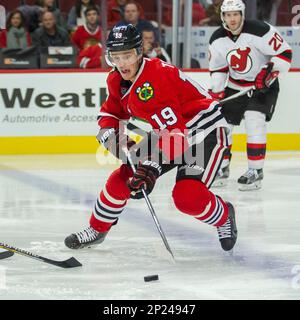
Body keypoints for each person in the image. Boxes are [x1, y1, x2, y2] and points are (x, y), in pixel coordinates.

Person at [64, 24, 238, 252]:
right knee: (124, 177)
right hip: (171, 132)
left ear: (138, 52)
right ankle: (97, 228)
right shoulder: (116, 79)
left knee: (187, 196)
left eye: (127, 55)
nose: (122, 63)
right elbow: (111, 112)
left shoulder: (156, 78)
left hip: (206, 134)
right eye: (116, 57)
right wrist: (108, 132)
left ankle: (224, 216)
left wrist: (150, 168)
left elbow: (176, 136)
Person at [208, 0, 292, 190]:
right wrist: (217, 90)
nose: (232, 19)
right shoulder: (217, 38)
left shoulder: (260, 30)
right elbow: (219, 67)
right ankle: (222, 168)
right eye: (228, 15)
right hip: (235, 86)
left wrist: (269, 71)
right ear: (223, 17)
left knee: (254, 120)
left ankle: (255, 171)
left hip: (263, 86)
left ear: (242, 14)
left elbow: (285, 53)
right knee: (222, 126)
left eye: (236, 14)